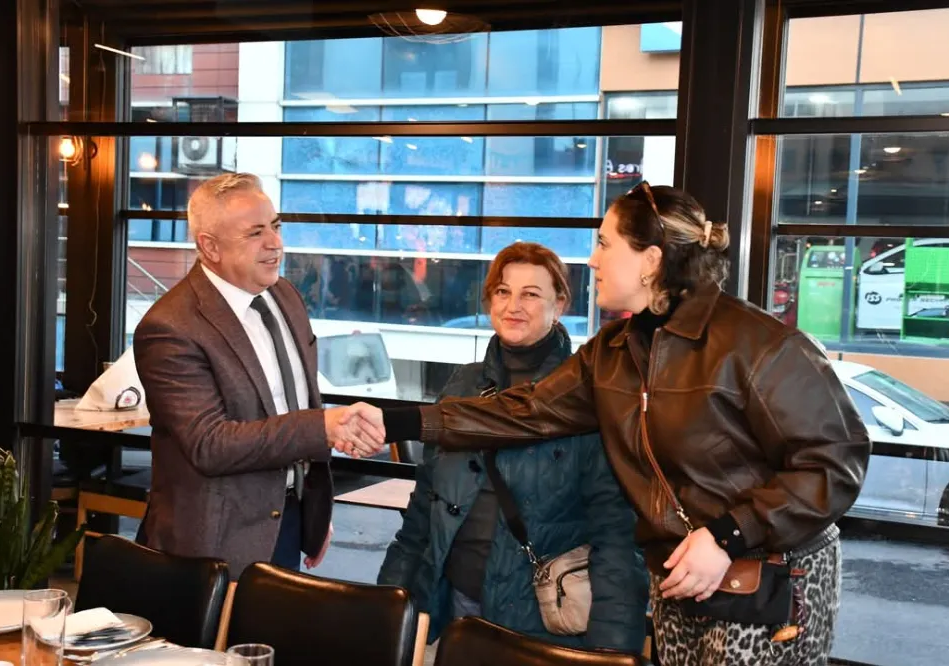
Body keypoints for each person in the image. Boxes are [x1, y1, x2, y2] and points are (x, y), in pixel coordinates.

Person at [346, 183, 871, 665]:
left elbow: (835, 462)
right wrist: (396, 421)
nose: (592, 260)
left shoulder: (759, 345)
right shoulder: (614, 352)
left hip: (767, 582)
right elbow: (523, 411)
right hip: (682, 581)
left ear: (650, 261)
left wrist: (727, 535)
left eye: (604, 244)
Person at [377, 242, 649, 658]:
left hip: (542, 626)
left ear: (560, 304)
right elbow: (421, 516)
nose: (513, 306)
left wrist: (610, 653)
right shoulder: (463, 386)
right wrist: (385, 611)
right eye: (503, 291)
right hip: (455, 611)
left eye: (531, 294)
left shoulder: (586, 396)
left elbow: (616, 540)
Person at [133, 173, 382, 578]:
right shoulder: (170, 327)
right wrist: (322, 427)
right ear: (210, 246)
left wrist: (312, 509)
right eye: (255, 233)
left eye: (276, 226)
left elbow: (296, 402)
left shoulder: (285, 295)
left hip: (289, 520)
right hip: (214, 544)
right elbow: (210, 444)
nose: (275, 243)